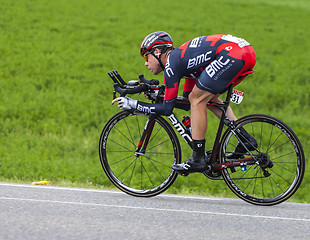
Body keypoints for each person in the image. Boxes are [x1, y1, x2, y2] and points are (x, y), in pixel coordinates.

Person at [112, 31, 257, 175]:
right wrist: (159, 96)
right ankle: (245, 138)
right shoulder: (184, 60)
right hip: (245, 52)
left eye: (146, 56)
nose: (145, 63)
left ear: (156, 51)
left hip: (232, 54)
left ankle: (198, 158)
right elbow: (186, 102)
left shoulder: (172, 63)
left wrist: (133, 104)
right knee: (203, 98)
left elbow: (167, 109)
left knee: (197, 100)